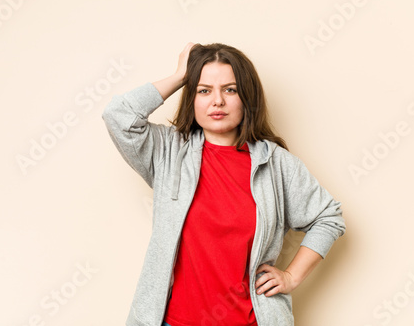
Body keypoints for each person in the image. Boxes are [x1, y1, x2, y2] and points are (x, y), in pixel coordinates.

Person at [101, 42, 346, 326]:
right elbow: (118, 116)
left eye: (230, 89)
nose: (217, 101)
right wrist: (182, 75)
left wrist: (291, 276)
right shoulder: (167, 151)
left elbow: (329, 218)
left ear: (247, 97)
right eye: (204, 90)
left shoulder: (277, 165)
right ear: (191, 98)